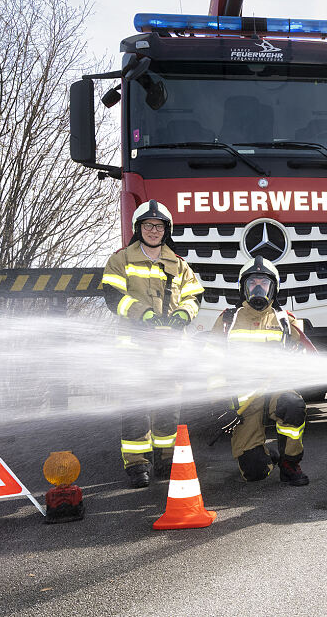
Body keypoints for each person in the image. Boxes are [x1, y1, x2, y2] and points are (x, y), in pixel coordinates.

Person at [100, 199, 204, 488]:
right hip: (134, 349)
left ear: (166, 230)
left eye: (159, 226)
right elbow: (113, 296)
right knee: (135, 408)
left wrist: (184, 314)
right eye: (148, 225)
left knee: (168, 407)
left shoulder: (179, 264)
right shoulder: (121, 260)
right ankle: (137, 465)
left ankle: (165, 459)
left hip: (170, 350)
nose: (154, 231)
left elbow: (194, 297)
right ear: (138, 228)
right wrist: (143, 314)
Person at [208, 257, 311, 486]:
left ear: (273, 288)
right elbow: (210, 361)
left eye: (263, 284)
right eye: (252, 283)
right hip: (243, 397)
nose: (257, 289)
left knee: (292, 404)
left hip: (276, 389)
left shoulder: (286, 321)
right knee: (254, 473)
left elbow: (306, 356)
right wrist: (221, 401)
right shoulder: (227, 320)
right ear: (243, 288)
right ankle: (268, 457)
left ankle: (290, 463)